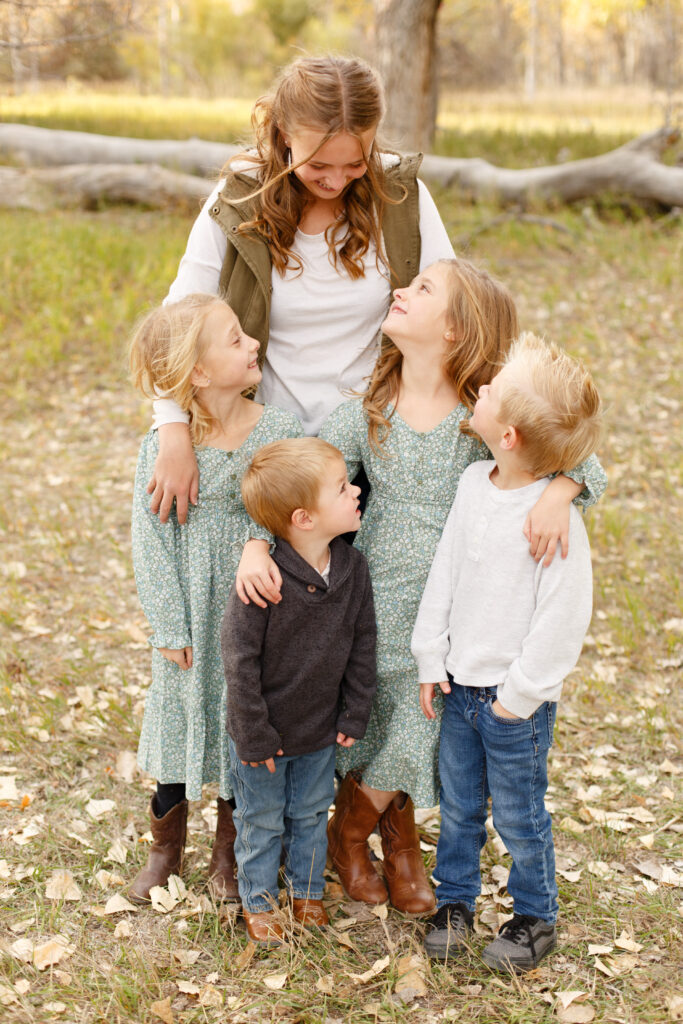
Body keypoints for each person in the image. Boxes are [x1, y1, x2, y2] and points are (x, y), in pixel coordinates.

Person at [240, 259, 607, 916]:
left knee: (422, 725)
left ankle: (349, 834)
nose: (400, 292)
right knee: (371, 716)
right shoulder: (366, 414)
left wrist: (560, 492)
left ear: (457, 332)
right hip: (367, 600)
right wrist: (254, 541)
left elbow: (583, 458)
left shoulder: (481, 415)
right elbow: (296, 480)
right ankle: (392, 839)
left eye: (423, 290)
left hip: (450, 609)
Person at [147, 53, 455, 525]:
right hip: (267, 452)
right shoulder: (239, 199)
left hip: (376, 445)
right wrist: (171, 431)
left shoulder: (401, 196)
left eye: (355, 163)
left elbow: (459, 307)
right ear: (284, 134)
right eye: (318, 165)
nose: (335, 180)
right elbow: (177, 324)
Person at [412, 333, 602, 972]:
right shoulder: (473, 483)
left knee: (519, 816)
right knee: (461, 806)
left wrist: (518, 699)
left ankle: (533, 916)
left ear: (511, 435)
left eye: (491, 390)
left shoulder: (554, 516)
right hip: (460, 686)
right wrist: (429, 658)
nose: (481, 388)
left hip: (514, 704)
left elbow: (562, 618)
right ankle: (455, 902)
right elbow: (446, 572)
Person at [127, 294, 302, 905]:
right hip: (189, 619)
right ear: (197, 373)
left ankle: (229, 853)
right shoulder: (167, 447)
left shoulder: (277, 430)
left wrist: (259, 540)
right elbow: (149, 540)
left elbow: (288, 513)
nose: (253, 343)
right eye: (234, 339)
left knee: (242, 725)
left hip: (254, 614)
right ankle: (164, 848)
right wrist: (170, 625)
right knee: (176, 726)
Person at [221, 438, 377, 946]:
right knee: (262, 820)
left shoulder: (353, 570)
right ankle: (260, 901)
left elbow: (362, 643)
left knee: (311, 814)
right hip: (262, 736)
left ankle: (307, 892)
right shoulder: (263, 580)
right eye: (341, 487)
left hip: (319, 728)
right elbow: (238, 663)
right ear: (304, 518)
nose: (356, 490)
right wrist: (254, 736)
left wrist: (355, 713)